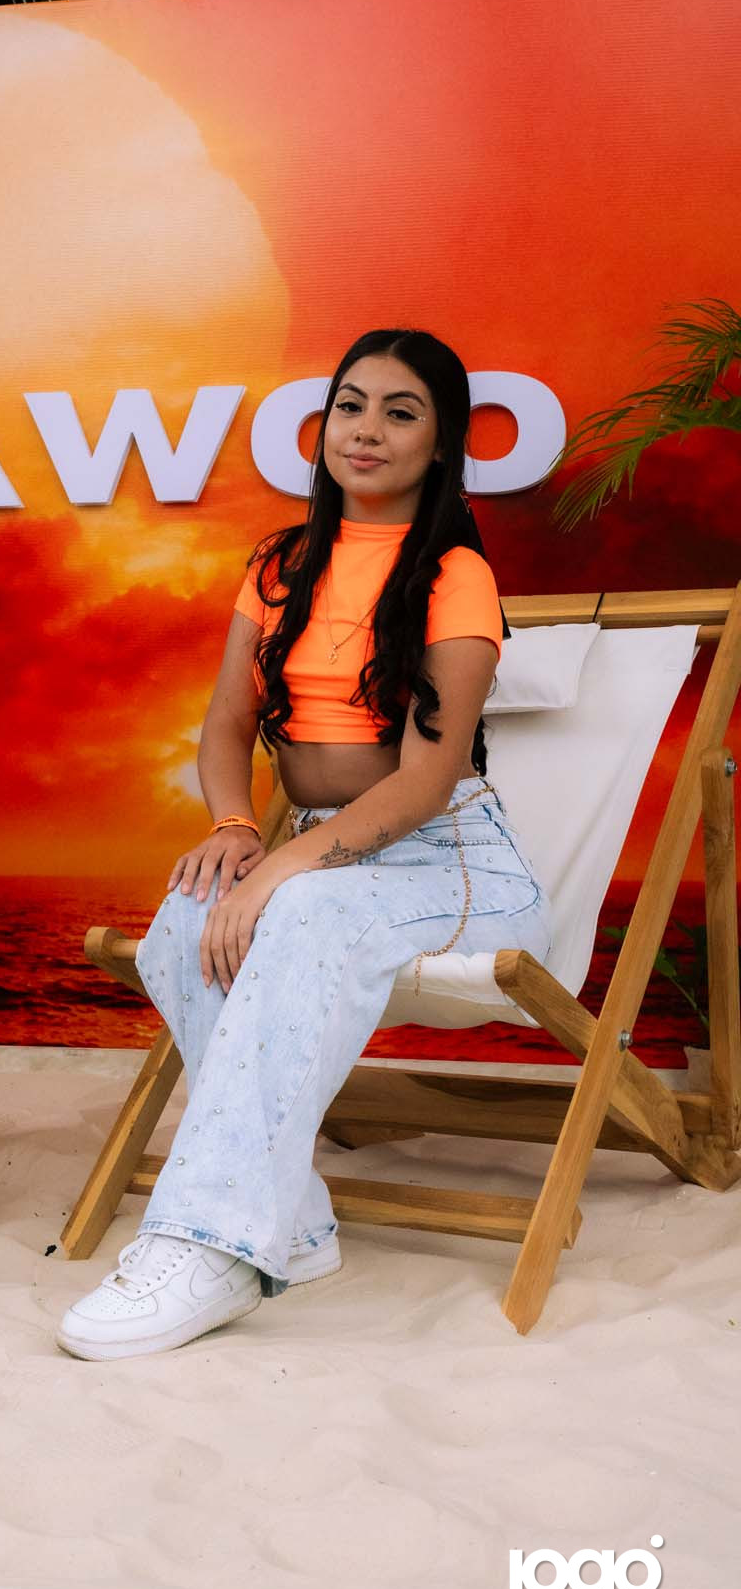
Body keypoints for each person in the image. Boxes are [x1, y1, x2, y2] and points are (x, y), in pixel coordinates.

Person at [56, 329, 552, 1361]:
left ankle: (210, 1244)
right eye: (349, 405)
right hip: (325, 850)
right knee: (183, 923)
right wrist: (238, 829)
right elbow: (226, 726)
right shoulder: (279, 565)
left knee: (303, 913)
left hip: (449, 859)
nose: (366, 430)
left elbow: (426, 779)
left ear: (440, 443)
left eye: (400, 412)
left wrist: (281, 867)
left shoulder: (453, 572)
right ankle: (297, 1223)